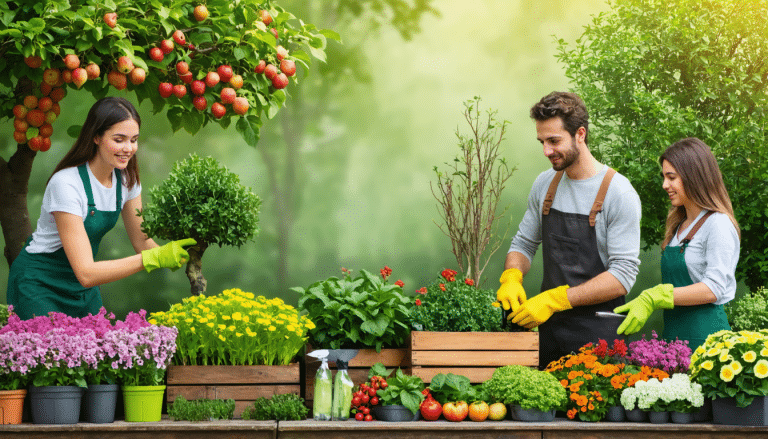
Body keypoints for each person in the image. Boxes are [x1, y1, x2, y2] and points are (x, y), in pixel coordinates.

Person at [7, 97, 195, 320]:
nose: (128, 148)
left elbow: (142, 241)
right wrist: (152, 258)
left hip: (82, 287)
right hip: (39, 285)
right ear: (96, 137)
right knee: (49, 343)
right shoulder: (67, 184)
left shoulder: (127, 181)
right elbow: (86, 273)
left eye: (134, 140)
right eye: (119, 139)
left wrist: (179, 255)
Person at [496, 91, 642, 369]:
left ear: (580, 134)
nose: (546, 151)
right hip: (549, 334)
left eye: (554, 141)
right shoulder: (545, 184)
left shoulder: (618, 192)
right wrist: (512, 276)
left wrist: (556, 299)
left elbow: (622, 276)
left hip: (598, 339)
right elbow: (524, 243)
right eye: (542, 142)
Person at [614, 138, 740, 351]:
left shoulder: (718, 223)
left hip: (706, 343)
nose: (665, 185)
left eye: (671, 177)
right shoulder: (679, 225)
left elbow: (714, 288)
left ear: (694, 176)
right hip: (673, 340)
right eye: (664, 177)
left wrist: (656, 296)